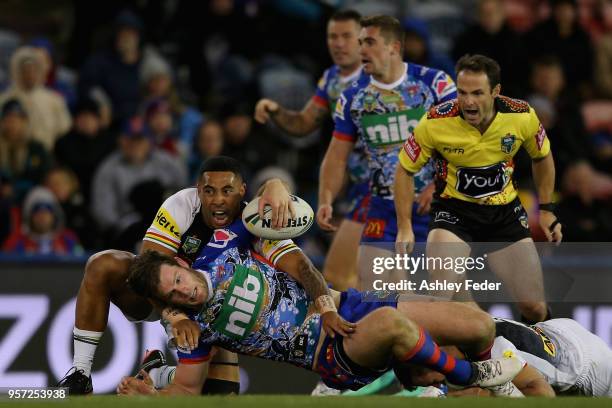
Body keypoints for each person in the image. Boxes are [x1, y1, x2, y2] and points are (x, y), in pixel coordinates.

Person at [116, 250, 523, 396]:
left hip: (350, 304)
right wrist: (148, 396)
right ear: (163, 303)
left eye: (178, 280)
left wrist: (274, 185)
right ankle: (472, 375)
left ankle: (454, 372)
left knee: (479, 325)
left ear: (180, 264)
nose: (183, 292)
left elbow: (267, 209)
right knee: (392, 325)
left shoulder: (227, 248)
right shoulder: (192, 329)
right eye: (172, 296)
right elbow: (188, 390)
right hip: (333, 353)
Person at [56, 156, 298, 394]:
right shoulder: (182, 205)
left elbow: (291, 257)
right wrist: (176, 318)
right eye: (210, 191)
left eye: (227, 191)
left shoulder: (253, 221)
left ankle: (158, 373)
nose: (218, 200)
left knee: (221, 391)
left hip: (211, 308)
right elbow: (148, 269)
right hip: (159, 294)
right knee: (103, 265)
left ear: (242, 192)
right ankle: (80, 373)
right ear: (199, 191)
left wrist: (278, 184)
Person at [394, 54, 558, 323]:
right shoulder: (435, 121)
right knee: (443, 289)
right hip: (454, 212)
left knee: (534, 307)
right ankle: (476, 346)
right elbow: (404, 170)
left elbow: (542, 157)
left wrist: (548, 208)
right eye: (462, 92)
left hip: (504, 214)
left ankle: (545, 347)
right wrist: (404, 225)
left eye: (477, 93)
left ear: (495, 92)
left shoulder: (521, 116)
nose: (468, 101)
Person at [319, 15, 456, 290]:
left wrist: (441, 181)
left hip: (437, 205)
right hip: (383, 207)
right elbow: (336, 156)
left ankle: (501, 330)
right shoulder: (353, 97)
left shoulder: (435, 83)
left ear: (393, 47)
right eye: (360, 43)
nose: (361, 50)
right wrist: (326, 199)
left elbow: (466, 140)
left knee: (448, 295)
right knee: (375, 290)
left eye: (369, 42)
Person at [254, 9, 368, 290]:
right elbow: (305, 122)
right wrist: (277, 111)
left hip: (392, 190)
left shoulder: (387, 77)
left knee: (354, 275)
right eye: (332, 37)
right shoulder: (331, 79)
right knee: (344, 278)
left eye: (346, 36)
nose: (338, 43)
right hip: (357, 190)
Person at [406, 317, 612, 397]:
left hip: (591, 366)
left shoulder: (493, 348)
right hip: (556, 330)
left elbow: (543, 394)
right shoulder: (453, 329)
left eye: (419, 382)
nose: (429, 385)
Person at [90, 116, 187, 236]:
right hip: (126, 232)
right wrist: (126, 230)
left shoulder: (167, 162)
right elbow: (103, 212)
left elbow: (184, 194)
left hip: (167, 227)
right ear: (121, 140)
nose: (135, 144)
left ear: (149, 141)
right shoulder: (109, 168)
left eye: (140, 139)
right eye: (130, 139)